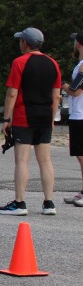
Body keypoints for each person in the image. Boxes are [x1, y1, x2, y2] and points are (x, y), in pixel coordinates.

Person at [0, 27, 61, 215]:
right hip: (45, 116)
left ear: (25, 43)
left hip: (24, 116)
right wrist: (52, 117)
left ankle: (19, 203)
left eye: (20, 41)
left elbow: (12, 93)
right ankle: (49, 203)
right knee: (45, 160)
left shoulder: (19, 62)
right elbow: (56, 95)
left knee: (22, 160)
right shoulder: (53, 63)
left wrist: (6, 118)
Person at [62, 32, 83, 207]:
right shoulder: (80, 64)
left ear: (79, 44)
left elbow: (75, 90)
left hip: (81, 114)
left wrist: (61, 84)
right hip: (78, 113)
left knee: (82, 155)